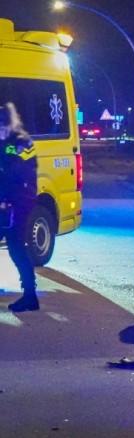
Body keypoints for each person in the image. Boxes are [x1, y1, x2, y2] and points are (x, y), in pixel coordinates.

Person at [0, 103, 39, 312]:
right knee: (15, 248)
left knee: (16, 248)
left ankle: (30, 295)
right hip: (5, 202)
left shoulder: (22, 142)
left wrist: (7, 199)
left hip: (18, 204)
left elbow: (17, 173)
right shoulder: (5, 141)